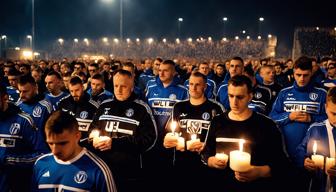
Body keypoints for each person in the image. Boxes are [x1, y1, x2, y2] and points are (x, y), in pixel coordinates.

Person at [202, 75, 290, 192]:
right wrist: (211, 161)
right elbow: (205, 153)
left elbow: (282, 164)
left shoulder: (266, 125)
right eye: (231, 96)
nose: (234, 102)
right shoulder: (217, 121)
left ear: (250, 97)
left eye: (240, 97)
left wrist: (259, 172)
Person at [90, 69, 157, 191]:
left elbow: (150, 139)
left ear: (132, 87)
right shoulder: (104, 105)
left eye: (123, 86)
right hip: (104, 169)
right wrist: (92, 140)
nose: (119, 90)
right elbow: (92, 130)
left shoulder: (142, 108)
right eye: (116, 86)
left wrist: (115, 143)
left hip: (130, 172)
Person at [163, 72, 225, 190]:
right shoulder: (178, 107)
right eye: (191, 84)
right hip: (182, 163)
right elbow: (168, 133)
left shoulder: (216, 108)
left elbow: (222, 138)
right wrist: (167, 141)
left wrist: (206, 147)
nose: (193, 88)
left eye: (197, 84)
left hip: (206, 165)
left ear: (205, 86)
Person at [32, 110, 117, 192]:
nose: (55, 151)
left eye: (62, 143)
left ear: (77, 136)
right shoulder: (40, 164)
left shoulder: (98, 170)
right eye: (50, 143)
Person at [270, 56, 327, 160]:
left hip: (313, 151)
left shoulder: (322, 93)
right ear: (293, 72)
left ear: (311, 72)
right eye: (298, 75)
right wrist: (289, 116)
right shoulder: (284, 93)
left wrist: (311, 118)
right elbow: (272, 118)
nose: (302, 79)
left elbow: (330, 119)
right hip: (286, 150)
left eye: (306, 75)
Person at [0, 86, 48, 192]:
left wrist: (9, 159)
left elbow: (42, 155)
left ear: (5, 98)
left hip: (17, 183)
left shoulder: (24, 121)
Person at [295, 87, 336, 192]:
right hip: (318, 185)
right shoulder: (316, 128)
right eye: (334, 114)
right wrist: (304, 161)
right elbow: (301, 149)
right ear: (326, 107)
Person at [58, 76, 99, 142]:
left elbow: (96, 128)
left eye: (77, 90)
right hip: (67, 143)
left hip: (85, 145)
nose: (74, 94)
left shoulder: (93, 106)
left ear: (82, 88)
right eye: (71, 91)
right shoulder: (63, 103)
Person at [16, 75, 52, 139]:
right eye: (20, 91)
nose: (21, 95)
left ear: (35, 88)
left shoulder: (45, 106)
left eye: (25, 91)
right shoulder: (16, 106)